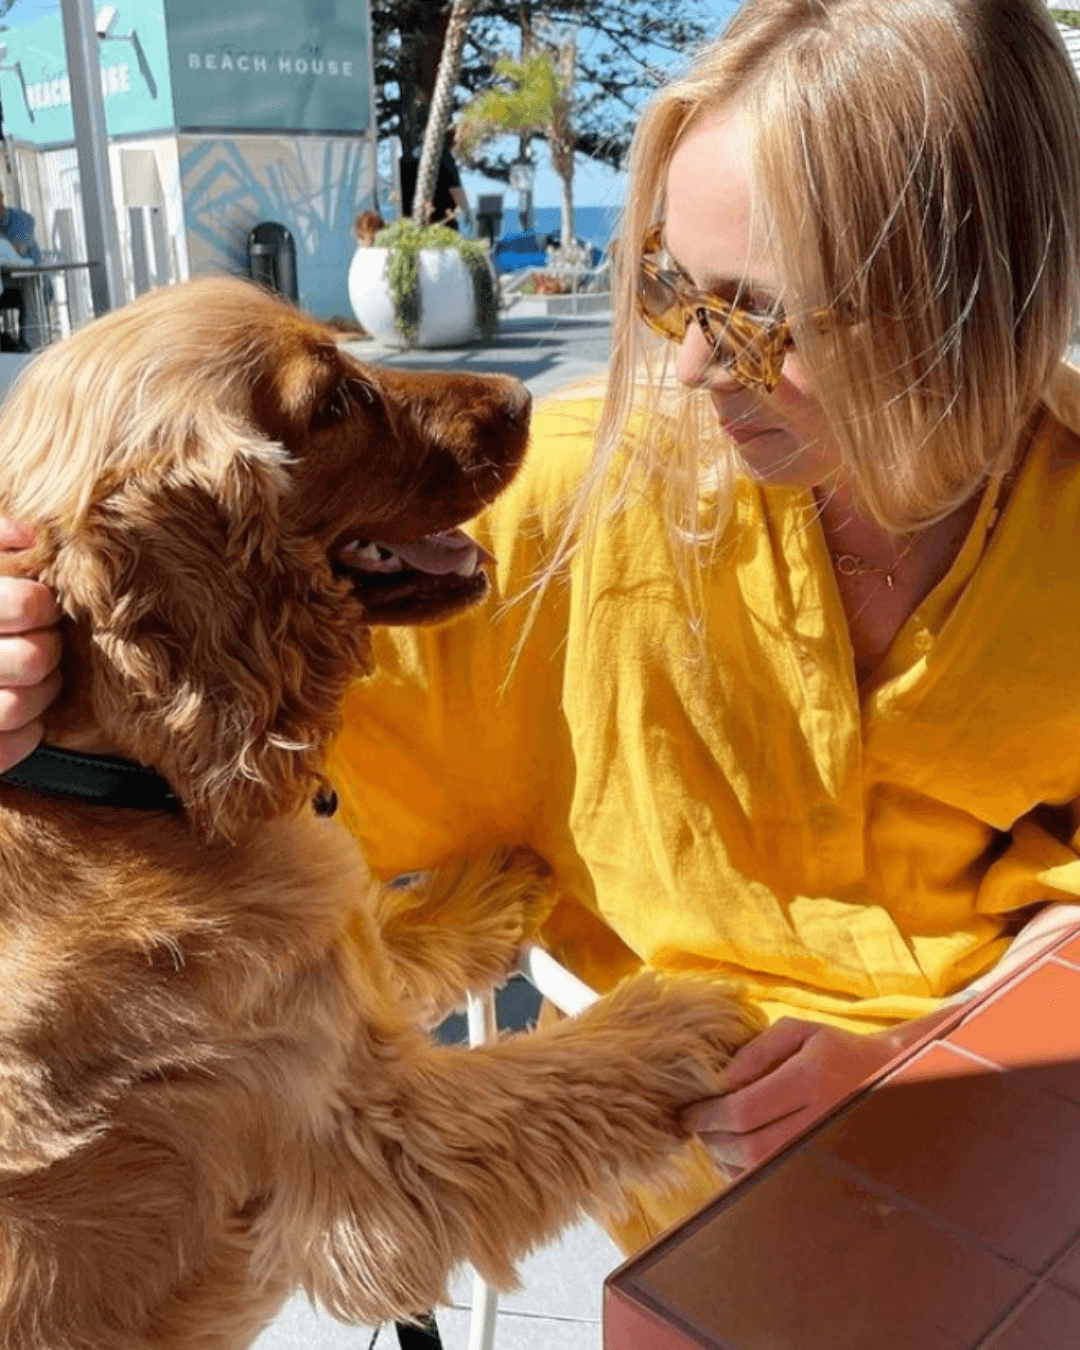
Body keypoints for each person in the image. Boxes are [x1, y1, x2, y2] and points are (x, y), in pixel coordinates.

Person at [5, 0, 1080, 1255]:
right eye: (670, 289)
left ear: (973, 308)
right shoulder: (557, 520)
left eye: (757, 317)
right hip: (703, 1196)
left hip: (1021, 1121)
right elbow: (177, 758)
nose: (685, 368)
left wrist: (915, 1059)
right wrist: (40, 670)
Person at [0, 189, 48, 349]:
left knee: (29, 286)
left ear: (1, 198)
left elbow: (17, 253)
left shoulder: (21, 220)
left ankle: (30, 348)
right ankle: (9, 346)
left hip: (32, 287)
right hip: (7, 286)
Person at [398, 138, 475, 233]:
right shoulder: (443, 156)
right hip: (441, 223)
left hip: (412, 225)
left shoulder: (404, 160)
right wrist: (467, 214)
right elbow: (455, 190)